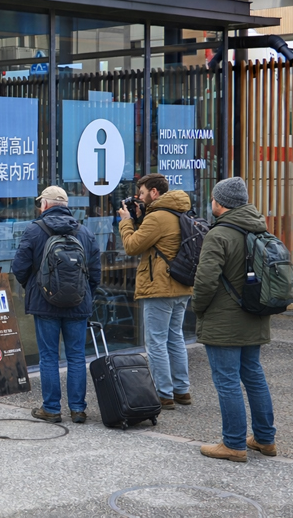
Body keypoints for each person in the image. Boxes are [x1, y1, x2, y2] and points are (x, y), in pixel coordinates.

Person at [193, 177, 277, 462]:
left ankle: (233, 444)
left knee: (227, 381)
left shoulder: (219, 235)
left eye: (214, 199)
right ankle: (265, 439)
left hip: (224, 322)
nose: (211, 202)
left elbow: (205, 281)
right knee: (253, 376)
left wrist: (198, 309)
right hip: (254, 316)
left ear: (221, 203)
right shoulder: (258, 228)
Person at [12, 186, 101, 424]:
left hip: (44, 303)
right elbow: (95, 274)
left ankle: (51, 409)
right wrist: (83, 294)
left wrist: (34, 288)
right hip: (78, 304)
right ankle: (78, 409)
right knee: (76, 356)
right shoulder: (84, 232)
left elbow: (19, 267)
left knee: (49, 356)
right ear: (66, 206)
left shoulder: (34, 230)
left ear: (46, 205)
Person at [117, 173, 193, 409]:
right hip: (180, 286)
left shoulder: (158, 217)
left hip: (159, 287)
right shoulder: (178, 212)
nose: (138, 197)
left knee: (157, 342)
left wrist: (126, 221)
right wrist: (142, 219)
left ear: (154, 193)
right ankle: (182, 390)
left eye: (141, 193)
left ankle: (164, 394)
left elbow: (131, 246)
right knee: (175, 338)